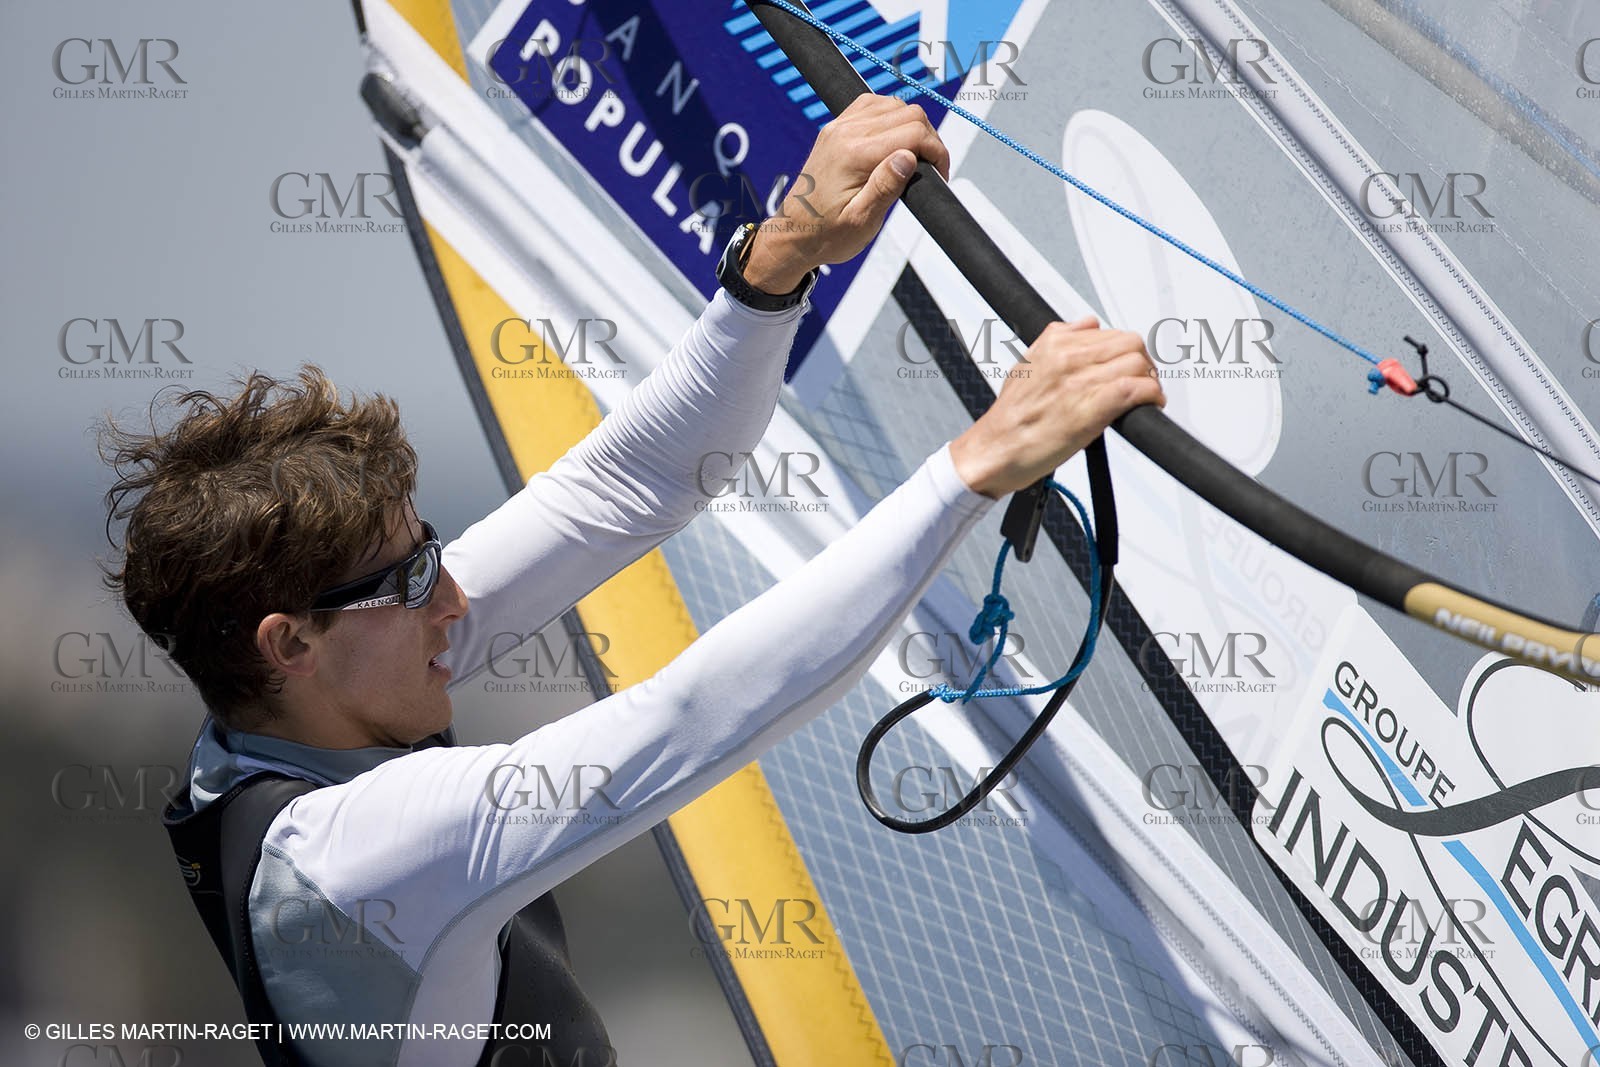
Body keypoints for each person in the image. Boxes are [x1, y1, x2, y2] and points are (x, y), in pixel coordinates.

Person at [101, 96, 1164, 1067]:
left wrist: (783, 254)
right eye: (414, 576)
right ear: (288, 641)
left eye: (435, 554)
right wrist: (979, 461)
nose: (455, 600)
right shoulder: (351, 857)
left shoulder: (296, 706)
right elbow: (689, 717)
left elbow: (630, 481)